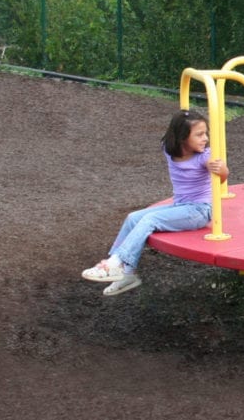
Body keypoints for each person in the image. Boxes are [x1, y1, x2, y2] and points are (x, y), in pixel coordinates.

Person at [82, 109, 229, 296]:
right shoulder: (169, 150)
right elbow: (170, 136)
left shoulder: (204, 157)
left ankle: (116, 263)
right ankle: (128, 274)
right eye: (199, 134)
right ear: (182, 137)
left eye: (206, 133)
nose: (205, 138)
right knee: (133, 218)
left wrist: (222, 170)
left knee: (151, 219)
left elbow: (220, 178)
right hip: (181, 206)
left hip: (200, 210)